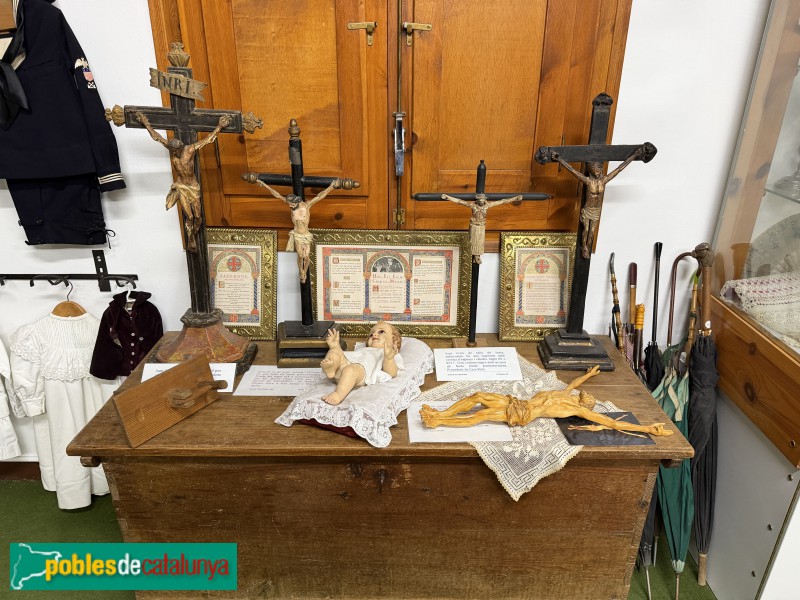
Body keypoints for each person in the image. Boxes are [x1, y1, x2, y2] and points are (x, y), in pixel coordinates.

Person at [420, 365, 672, 437]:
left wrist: (647, 428)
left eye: (588, 399)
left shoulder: (575, 408)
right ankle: (438, 411)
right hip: (517, 401)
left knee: (480, 416)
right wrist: (589, 375)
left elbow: (612, 423)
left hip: (523, 414)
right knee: (477, 397)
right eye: (587, 395)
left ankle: (438, 421)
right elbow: (573, 385)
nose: (586, 396)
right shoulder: (565, 395)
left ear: (585, 406)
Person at [136, 111, 232, 252]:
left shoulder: (190, 150)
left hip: (193, 187)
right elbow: (157, 137)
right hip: (181, 186)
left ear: (180, 148)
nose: (174, 153)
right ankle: (191, 240)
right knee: (190, 216)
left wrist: (219, 126)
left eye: (176, 150)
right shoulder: (172, 149)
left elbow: (208, 140)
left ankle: (194, 233)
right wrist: (145, 123)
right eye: (173, 151)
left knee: (198, 216)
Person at [550, 147, 643, 259]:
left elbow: (619, 169)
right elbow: (572, 171)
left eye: (599, 169)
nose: (598, 171)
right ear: (592, 171)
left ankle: (588, 248)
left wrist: (634, 155)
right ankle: (584, 247)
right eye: (596, 169)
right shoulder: (588, 181)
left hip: (596, 209)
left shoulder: (604, 180)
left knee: (592, 231)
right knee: (586, 229)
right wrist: (559, 159)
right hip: (588, 208)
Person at [249, 177, 342, 283]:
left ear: (297, 202)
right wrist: (265, 185)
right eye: (289, 204)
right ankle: (301, 272)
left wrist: (331, 186)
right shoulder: (291, 205)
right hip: (297, 234)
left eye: (292, 204)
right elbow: (277, 195)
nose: (290, 205)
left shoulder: (306, 205)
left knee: (306, 257)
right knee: (300, 255)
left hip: (305, 234)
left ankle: (304, 271)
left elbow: (320, 196)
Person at [320, 322, 403, 405]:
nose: (374, 334)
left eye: (381, 332)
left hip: (359, 371)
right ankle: (332, 368)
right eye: (371, 334)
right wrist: (335, 345)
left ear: (394, 340)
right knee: (335, 351)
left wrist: (388, 359)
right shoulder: (364, 349)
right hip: (343, 365)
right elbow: (345, 355)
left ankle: (338, 394)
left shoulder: (388, 354)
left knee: (350, 370)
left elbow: (392, 373)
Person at [441, 193, 522, 263]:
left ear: (484, 201)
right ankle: (473, 255)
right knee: (473, 240)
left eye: (483, 201)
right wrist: (448, 197)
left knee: (480, 241)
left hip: (481, 226)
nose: (481, 202)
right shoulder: (473, 205)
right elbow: (459, 201)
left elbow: (502, 201)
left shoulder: (487, 206)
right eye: (480, 201)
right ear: (477, 201)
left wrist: (515, 198)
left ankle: (477, 255)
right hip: (474, 226)